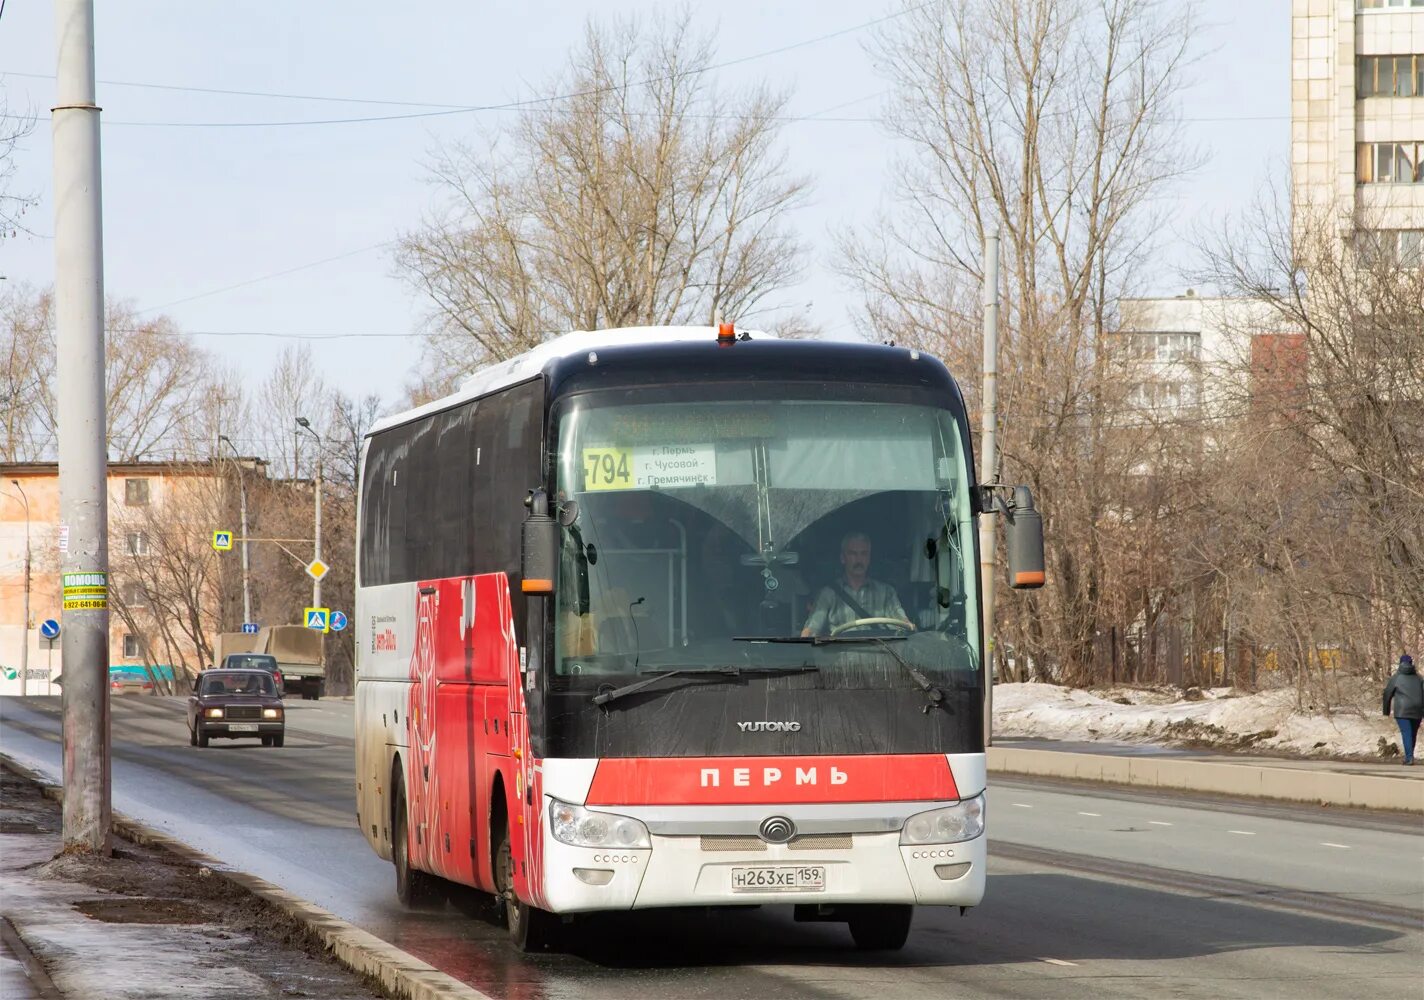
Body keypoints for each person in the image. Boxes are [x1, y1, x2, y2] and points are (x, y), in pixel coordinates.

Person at [801, 532, 912, 637]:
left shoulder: (886, 592)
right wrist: (807, 634)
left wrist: (908, 625)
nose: (859, 559)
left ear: (869, 558)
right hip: (840, 654)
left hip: (881, 654)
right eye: (853, 554)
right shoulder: (828, 594)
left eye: (864, 554)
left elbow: (902, 625)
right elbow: (811, 631)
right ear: (843, 558)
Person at [1382, 653, 1423, 765]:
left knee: (1407, 733)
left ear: (1400, 664)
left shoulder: (1396, 677)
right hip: (1417, 709)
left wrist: (1386, 711)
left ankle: (1409, 758)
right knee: (1412, 733)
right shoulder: (1419, 678)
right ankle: (1409, 756)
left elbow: (1387, 694)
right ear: (1411, 664)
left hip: (1402, 710)